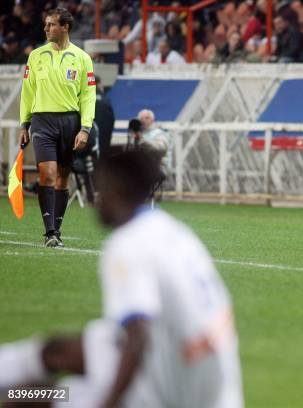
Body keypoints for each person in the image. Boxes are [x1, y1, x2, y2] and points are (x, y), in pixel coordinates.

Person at [0, 150, 244, 407]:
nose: (96, 199)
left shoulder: (128, 244)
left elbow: (137, 337)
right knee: (58, 351)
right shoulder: (173, 231)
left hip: (165, 389)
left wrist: (109, 403)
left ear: (116, 190)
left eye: (101, 189)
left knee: (35, 397)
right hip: (208, 382)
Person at [19, 7, 96, 247]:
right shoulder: (36, 56)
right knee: (47, 174)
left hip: (70, 123)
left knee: (63, 178)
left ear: (65, 27)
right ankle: (49, 231)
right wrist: (25, 123)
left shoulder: (82, 58)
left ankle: (57, 231)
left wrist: (84, 128)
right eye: (46, 24)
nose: (46, 28)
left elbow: (88, 96)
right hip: (42, 121)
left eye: (51, 24)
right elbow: (27, 92)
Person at [134, 109, 173, 175]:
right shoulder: (138, 135)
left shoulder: (160, 133)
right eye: (141, 118)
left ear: (152, 120)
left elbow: (160, 148)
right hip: (143, 172)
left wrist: (142, 141)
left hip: (159, 173)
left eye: (147, 118)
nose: (144, 120)